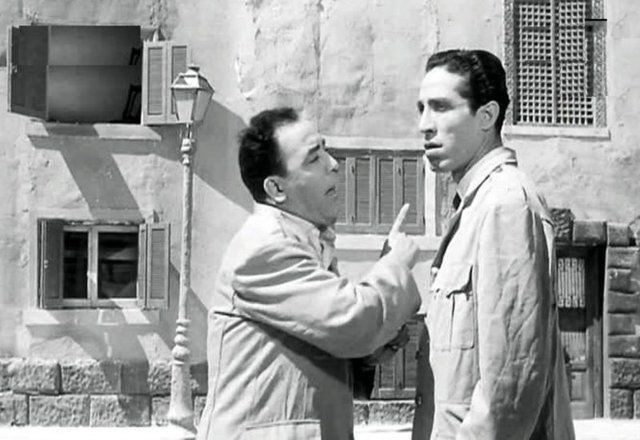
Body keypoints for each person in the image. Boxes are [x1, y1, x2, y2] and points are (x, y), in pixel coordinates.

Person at [196, 107, 421, 440]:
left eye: (326, 150)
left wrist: (367, 355)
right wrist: (396, 265)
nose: (333, 164)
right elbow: (351, 320)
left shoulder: (305, 240)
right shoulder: (266, 247)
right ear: (276, 188)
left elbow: (317, 345)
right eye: (313, 158)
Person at [411, 49, 575, 440]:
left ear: (486, 116)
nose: (424, 125)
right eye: (421, 109)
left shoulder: (505, 204)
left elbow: (509, 384)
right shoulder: (474, 205)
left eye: (441, 107)